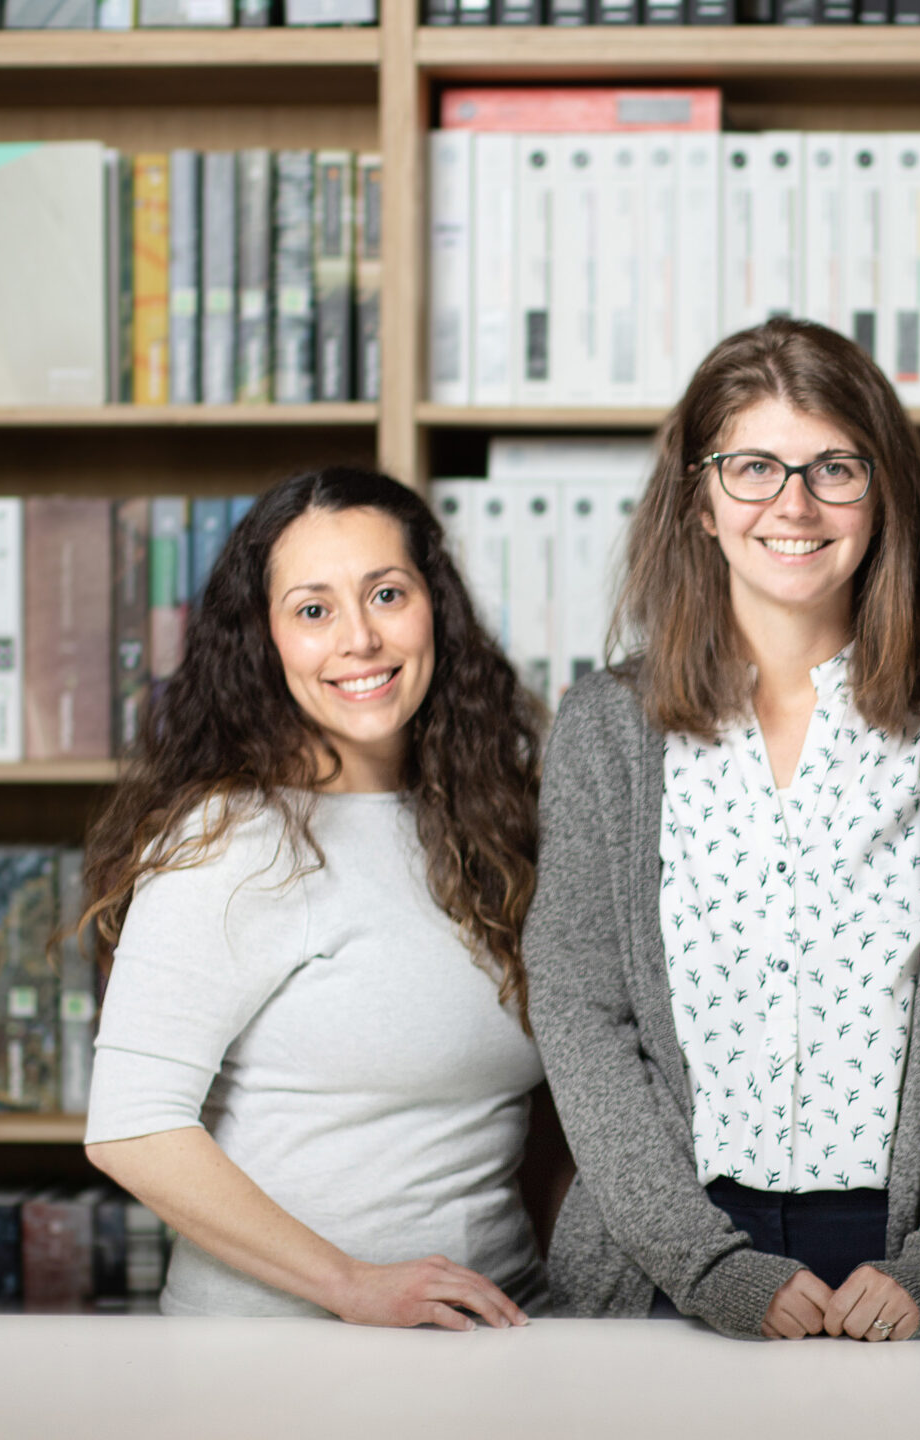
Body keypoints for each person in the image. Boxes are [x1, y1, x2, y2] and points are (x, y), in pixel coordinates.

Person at [525, 319, 920, 1343]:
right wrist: (708, 1266)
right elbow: (582, 1017)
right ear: (698, 499)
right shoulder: (605, 730)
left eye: (833, 467)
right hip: (661, 1266)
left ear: (884, 493)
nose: (794, 503)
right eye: (753, 466)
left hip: (901, 1260)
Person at [80, 468, 549, 1326]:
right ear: (264, 640)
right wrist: (351, 1284)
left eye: (387, 593)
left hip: (496, 1331)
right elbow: (131, 1127)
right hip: (283, 1353)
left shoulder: (497, 823)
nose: (360, 639)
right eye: (313, 610)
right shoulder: (232, 840)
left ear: (434, 608)